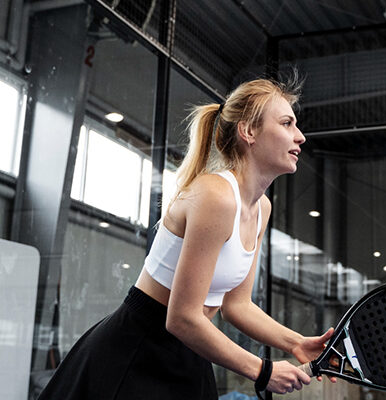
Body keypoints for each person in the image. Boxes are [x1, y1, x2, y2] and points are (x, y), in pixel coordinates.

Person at [38, 77, 333, 399]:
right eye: (287, 123)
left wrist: (295, 343)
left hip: (191, 350)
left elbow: (237, 304)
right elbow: (180, 318)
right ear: (248, 132)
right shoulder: (216, 196)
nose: (300, 136)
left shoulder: (261, 207)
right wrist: (262, 371)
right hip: (135, 350)